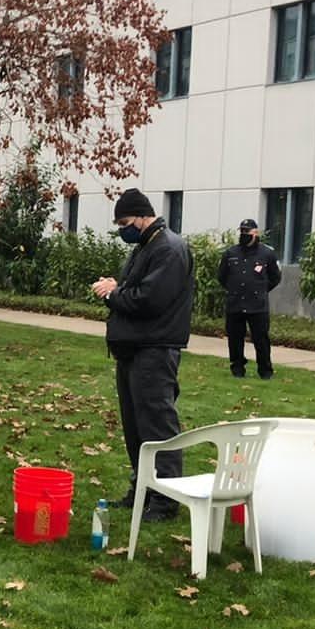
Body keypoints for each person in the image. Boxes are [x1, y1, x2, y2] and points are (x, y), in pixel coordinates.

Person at [91, 189, 193, 523]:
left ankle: (165, 500)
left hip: (154, 350)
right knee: (135, 427)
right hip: (134, 349)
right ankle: (142, 490)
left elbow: (148, 299)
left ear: (141, 216)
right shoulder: (146, 246)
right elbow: (134, 288)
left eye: (124, 222)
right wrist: (116, 287)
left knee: (157, 425)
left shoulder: (168, 249)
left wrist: (113, 293)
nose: (123, 229)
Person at [217, 216, 282, 379]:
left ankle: (265, 370)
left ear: (256, 233)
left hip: (257, 304)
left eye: (247, 231)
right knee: (235, 339)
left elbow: (275, 277)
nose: (244, 234)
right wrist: (234, 289)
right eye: (242, 231)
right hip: (236, 303)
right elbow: (222, 277)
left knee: (261, 339)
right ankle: (237, 368)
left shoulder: (267, 253)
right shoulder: (230, 253)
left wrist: (261, 290)